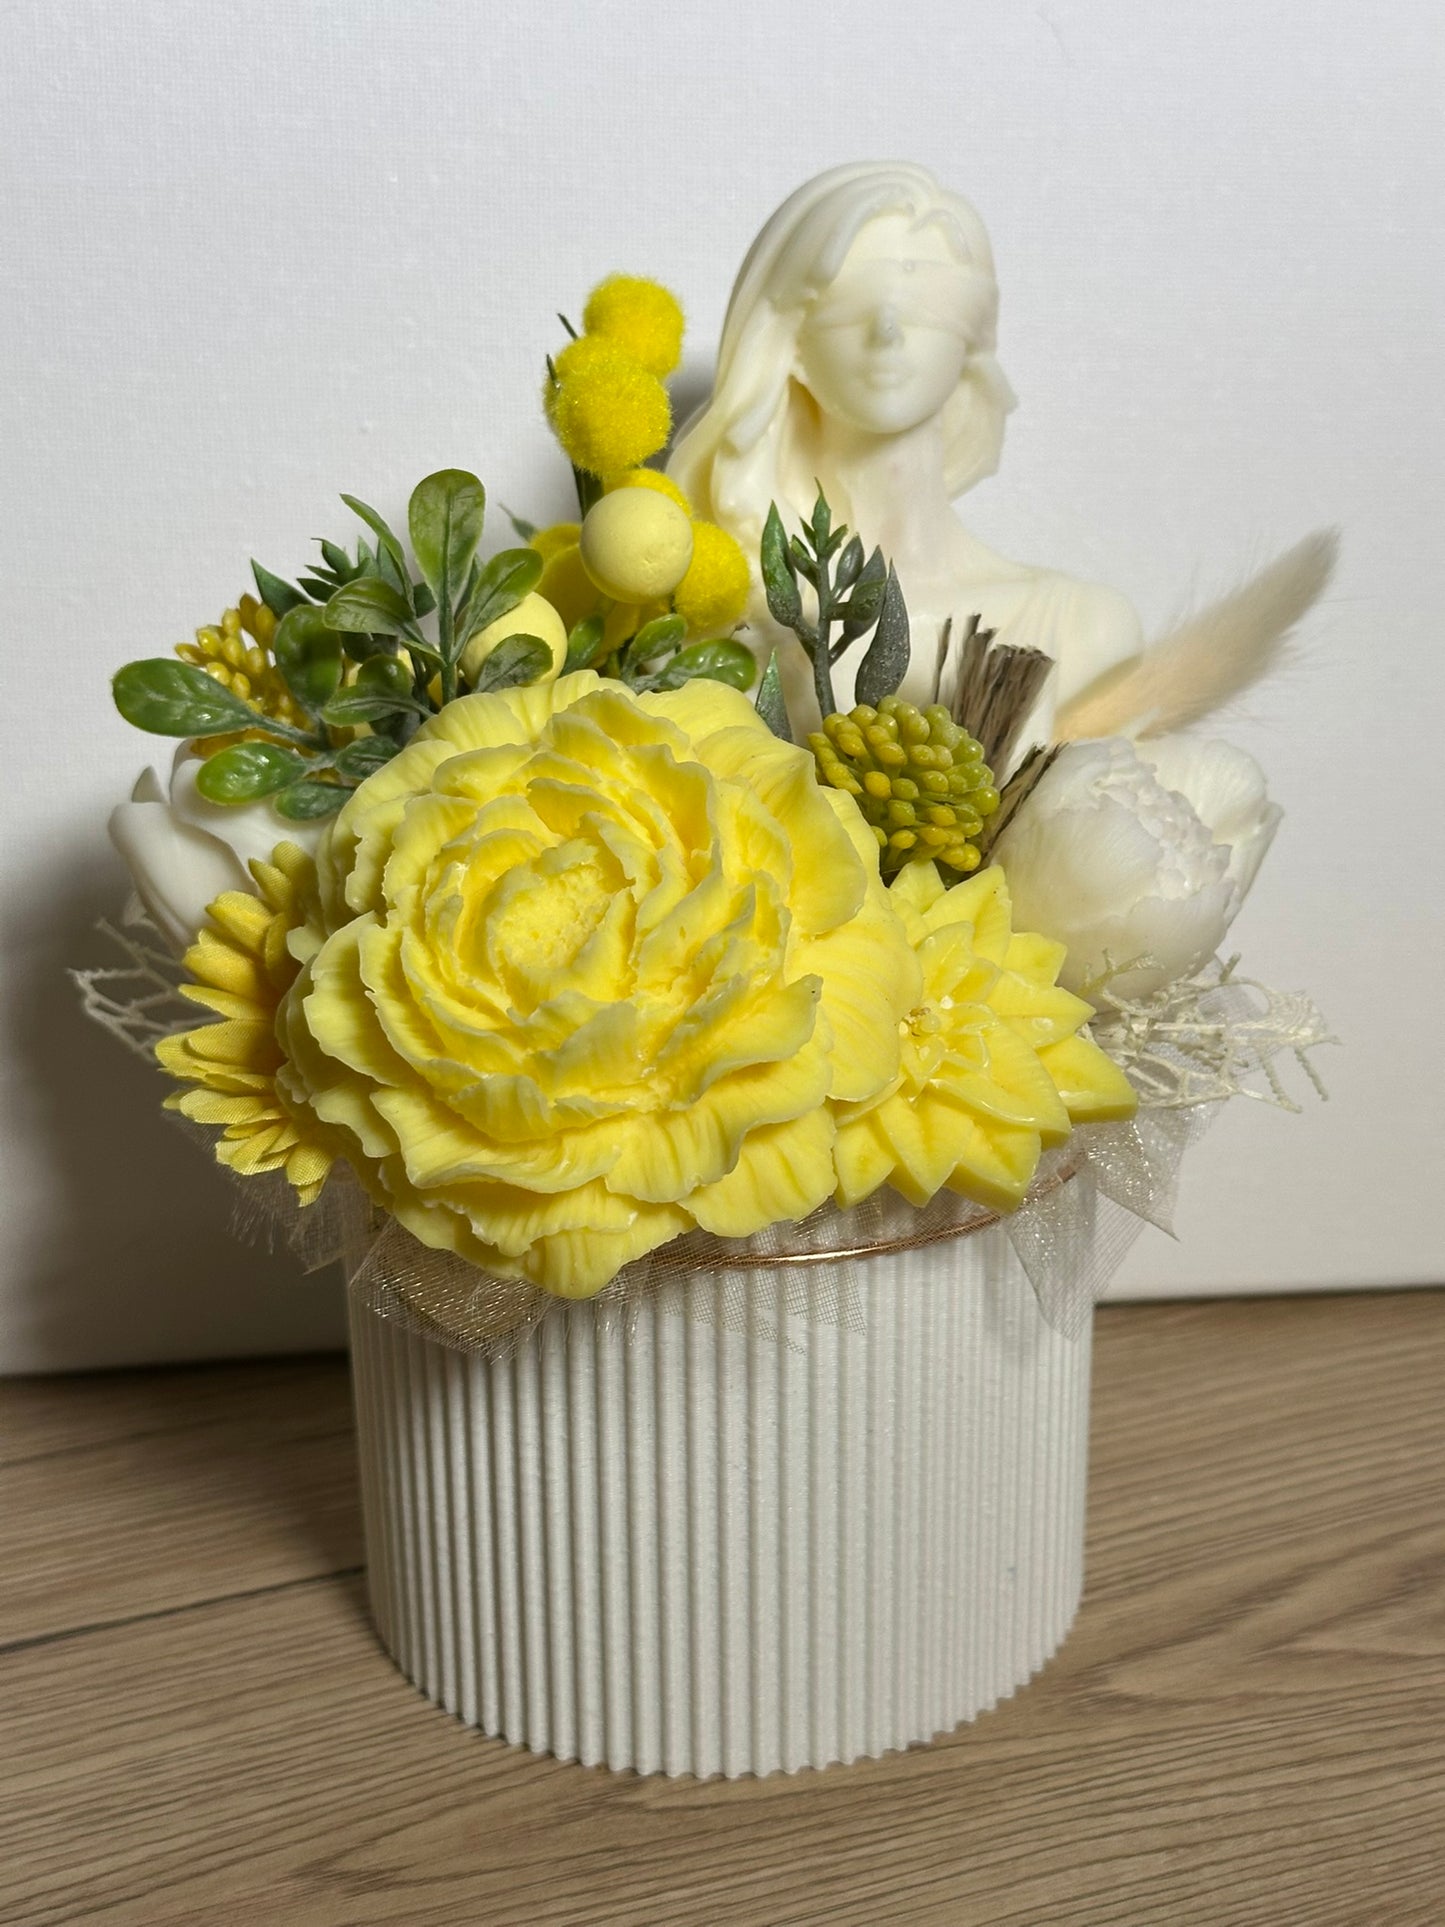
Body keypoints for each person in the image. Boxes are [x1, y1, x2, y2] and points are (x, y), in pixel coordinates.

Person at [669, 161, 1144, 728]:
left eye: (928, 303)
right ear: (790, 342)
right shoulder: (730, 635)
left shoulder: (1082, 627)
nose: (888, 331)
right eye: (849, 305)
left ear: (973, 335)